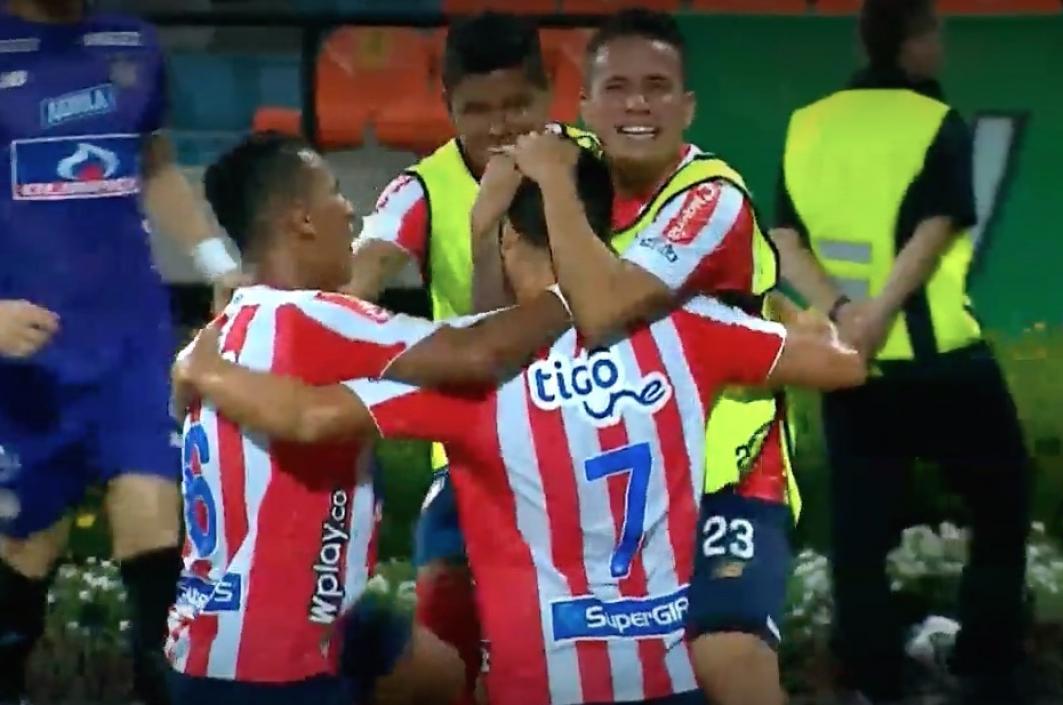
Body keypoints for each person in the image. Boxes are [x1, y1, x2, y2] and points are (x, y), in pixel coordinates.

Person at [171, 145, 869, 705]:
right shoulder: (690, 329)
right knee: (417, 661)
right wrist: (791, 314)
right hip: (666, 682)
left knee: (425, 658)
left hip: (525, 685)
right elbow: (844, 366)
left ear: (508, 240)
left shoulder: (473, 385)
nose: (347, 209)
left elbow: (314, 414)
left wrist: (201, 373)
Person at [162, 131, 596, 705]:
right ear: (302, 220)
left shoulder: (227, 328)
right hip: (269, 668)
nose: (350, 211)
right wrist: (589, 289)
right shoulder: (312, 318)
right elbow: (479, 351)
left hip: (230, 629)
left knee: (439, 674)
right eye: (335, 193)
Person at [486, 10, 797, 705]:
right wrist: (490, 221)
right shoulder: (566, 166)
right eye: (618, 87)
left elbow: (602, 308)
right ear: (587, 104)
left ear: (687, 107)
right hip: (603, 479)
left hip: (729, 477)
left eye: (657, 87)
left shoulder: (710, 199)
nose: (637, 104)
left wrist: (556, 184)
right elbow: (495, 307)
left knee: (729, 657)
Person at [769, 0, 1033, 702]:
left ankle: (870, 677)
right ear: (916, 41)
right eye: (935, 32)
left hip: (851, 363)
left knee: (860, 529)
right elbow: (936, 226)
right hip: (942, 358)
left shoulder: (808, 125)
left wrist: (841, 314)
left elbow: (786, 240)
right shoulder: (934, 121)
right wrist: (880, 313)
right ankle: (985, 662)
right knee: (1003, 498)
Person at [341, 14, 597, 702]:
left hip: (592, 445)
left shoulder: (594, 166)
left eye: (516, 104)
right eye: (476, 110)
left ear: (549, 96)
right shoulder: (419, 189)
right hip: (472, 460)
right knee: (444, 655)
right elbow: (363, 272)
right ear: (447, 106)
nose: (498, 126)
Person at [0, 1, 245, 703]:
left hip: (130, 343)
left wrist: (214, 261)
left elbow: (156, 165)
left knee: (155, 533)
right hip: (25, 358)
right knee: (25, 553)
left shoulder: (133, 40)